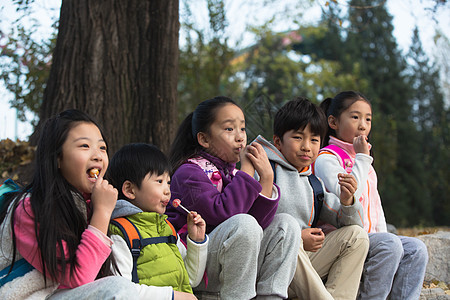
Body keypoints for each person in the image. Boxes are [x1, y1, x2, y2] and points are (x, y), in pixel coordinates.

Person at [166, 96, 301, 299]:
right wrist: (247, 171)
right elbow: (224, 213)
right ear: (204, 139)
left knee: (286, 225)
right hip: (195, 264)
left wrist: (266, 177)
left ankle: (271, 296)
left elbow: (259, 224)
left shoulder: (232, 174)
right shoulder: (189, 173)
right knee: (243, 224)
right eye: (229, 129)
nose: (240, 137)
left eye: (243, 129)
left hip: (226, 256)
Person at [0, 109, 135, 299]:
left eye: (102, 148)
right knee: (117, 288)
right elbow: (79, 276)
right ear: (57, 158)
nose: (97, 155)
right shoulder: (30, 208)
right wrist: (102, 213)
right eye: (84, 146)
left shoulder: (87, 205)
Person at [314, 90, 428, 300]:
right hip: (346, 237)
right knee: (389, 244)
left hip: (373, 237)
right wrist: (362, 159)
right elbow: (349, 198)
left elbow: (376, 207)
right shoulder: (327, 158)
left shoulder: (363, 158)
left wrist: (386, 236)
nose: (363, 124)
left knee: (416, 249)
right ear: (333, 121)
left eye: (368, 119)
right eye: (355, 117)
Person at [254, 97, 369, 300]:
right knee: (287, 229)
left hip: (302, 270)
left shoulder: (314, 184)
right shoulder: (263, 171)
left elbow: (352, 223)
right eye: (298, 137)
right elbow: (251, 224)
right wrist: (298, 238)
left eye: (314, 140)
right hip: (266, 270)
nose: (307, 146)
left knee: (357, 236)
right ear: (278, 141)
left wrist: (347, 200)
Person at [106, 143, 208, 299]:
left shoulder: (167, 228)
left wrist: (197, 241)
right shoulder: (121, 233)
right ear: (130, 190)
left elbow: (191, 279)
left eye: (168, 182)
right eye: (159, 181)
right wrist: (171, 297)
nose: (167, 190)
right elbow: (122, 290)